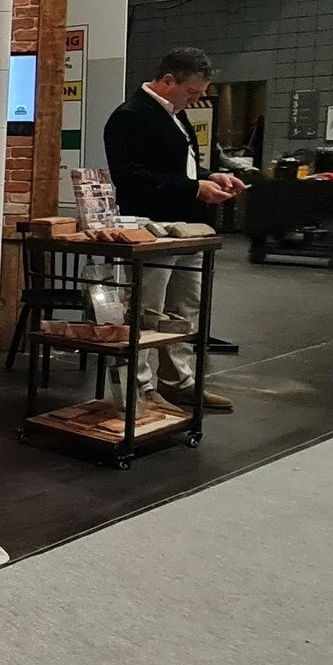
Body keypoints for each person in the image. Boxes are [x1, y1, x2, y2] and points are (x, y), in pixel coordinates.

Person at [103, 46, 244, 413]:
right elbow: (130, 177)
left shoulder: (176, 116)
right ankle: (140, 390)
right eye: (191, 92)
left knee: (184, 309)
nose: (195, 100)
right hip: (152, 229)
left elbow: (178, 169)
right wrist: (194, 188)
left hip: (188, 228)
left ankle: (178, 381)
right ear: (168, 80)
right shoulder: (129, 116)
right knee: (146, 311)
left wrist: (210, 177)